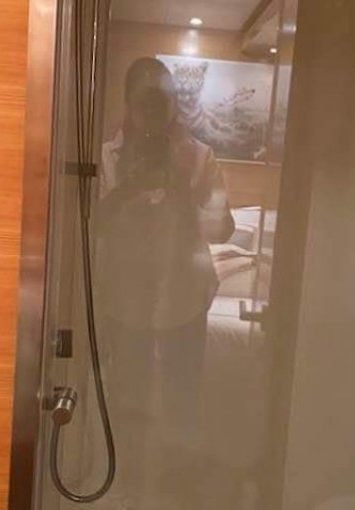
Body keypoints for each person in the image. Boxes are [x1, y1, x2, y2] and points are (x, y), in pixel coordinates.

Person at [95, 57, 234, 507]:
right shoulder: (105, 157)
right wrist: (127, 189)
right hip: (125, 300)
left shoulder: (200, 157)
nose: (155, 112)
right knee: (128, 396)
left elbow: (224, 230)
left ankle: (177, 491)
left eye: (164, 101)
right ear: (129, 104)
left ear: (175, 104)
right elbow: (86, 226)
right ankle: (130, 485)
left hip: (184, 299)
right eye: (146, 102)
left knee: (182, 400)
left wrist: (184, 189)